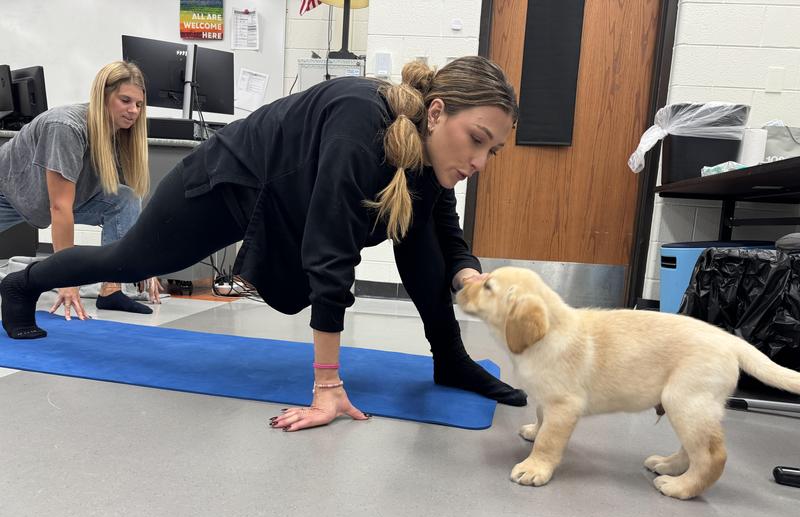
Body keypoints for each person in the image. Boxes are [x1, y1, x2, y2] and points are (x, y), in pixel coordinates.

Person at [1, 55, 527, 431]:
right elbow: (331, 250)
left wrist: (466, 273)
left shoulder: (427, 155)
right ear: (436, 112)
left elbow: (442, 232)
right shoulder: (360, 121)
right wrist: (326, 385)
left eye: (493, 151)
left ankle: (450, 359)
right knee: (129, 257)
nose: (480, 162)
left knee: (421, 240)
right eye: (477, 139)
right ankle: (22, 285)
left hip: (274, 197)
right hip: (220, 187)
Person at [0, 60, 161, 318]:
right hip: (9, 191)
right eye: (125, 100)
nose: (134, 111)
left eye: (139, 104)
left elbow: (128, 212)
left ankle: (111, 290)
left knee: (125, 199)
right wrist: (66, 279)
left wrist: (143, 263)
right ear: (103, 96)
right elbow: (59, 206)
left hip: (55, 198)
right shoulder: (66, 127)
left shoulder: (120, 131)